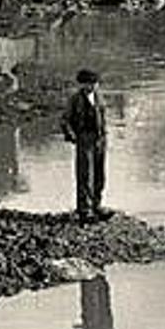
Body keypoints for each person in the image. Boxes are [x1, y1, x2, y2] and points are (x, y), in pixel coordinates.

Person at [62, 68, 108, 221]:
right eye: (90, 84)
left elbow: (103, 116)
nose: (93, 86)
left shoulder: (99, 97)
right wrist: (72, 136)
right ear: (82, 85)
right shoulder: (74, 99)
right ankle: (84, 210)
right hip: (84, 138)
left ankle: (97, 205)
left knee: (100, 174)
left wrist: (104, 135)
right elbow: (65, 120)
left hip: (100, 139)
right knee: (85, 175)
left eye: (95, 83)